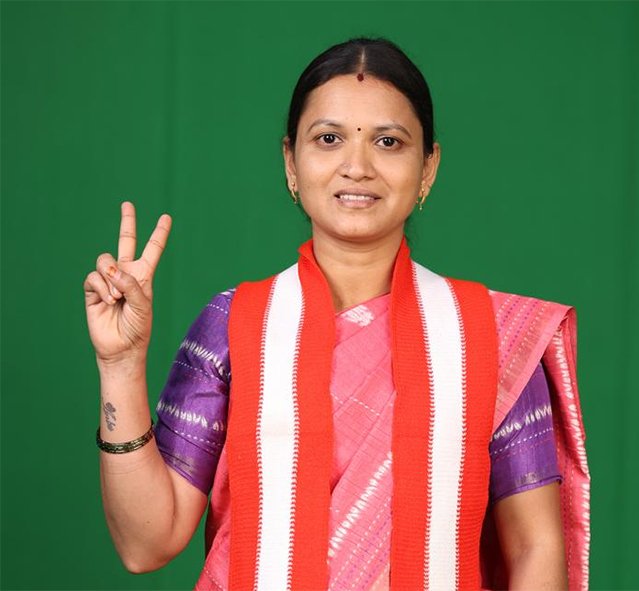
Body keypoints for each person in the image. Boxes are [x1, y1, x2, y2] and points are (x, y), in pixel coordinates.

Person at [84, 37, 590, 591]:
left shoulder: (491, 337)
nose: (357, 166)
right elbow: (147, 543)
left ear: (428, 167)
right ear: (291, 162)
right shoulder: (234, 325)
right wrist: (121, 365)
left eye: (388, 142)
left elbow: (536, 548)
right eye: (329, 139)